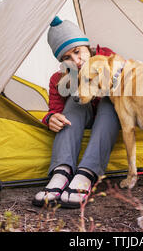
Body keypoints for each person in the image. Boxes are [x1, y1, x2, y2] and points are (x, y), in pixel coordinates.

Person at [32, 16, 120, 209]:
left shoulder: (108, 58)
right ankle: (61, 171)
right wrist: (51, 118)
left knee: (111, 100)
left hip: (110, 119)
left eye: (77, 52)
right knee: (74, 99)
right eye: (67, 58)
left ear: (87, 47)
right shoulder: (59, 78)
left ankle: (86, 173)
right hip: (82, 118)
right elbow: (54, 110)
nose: (76, 61)